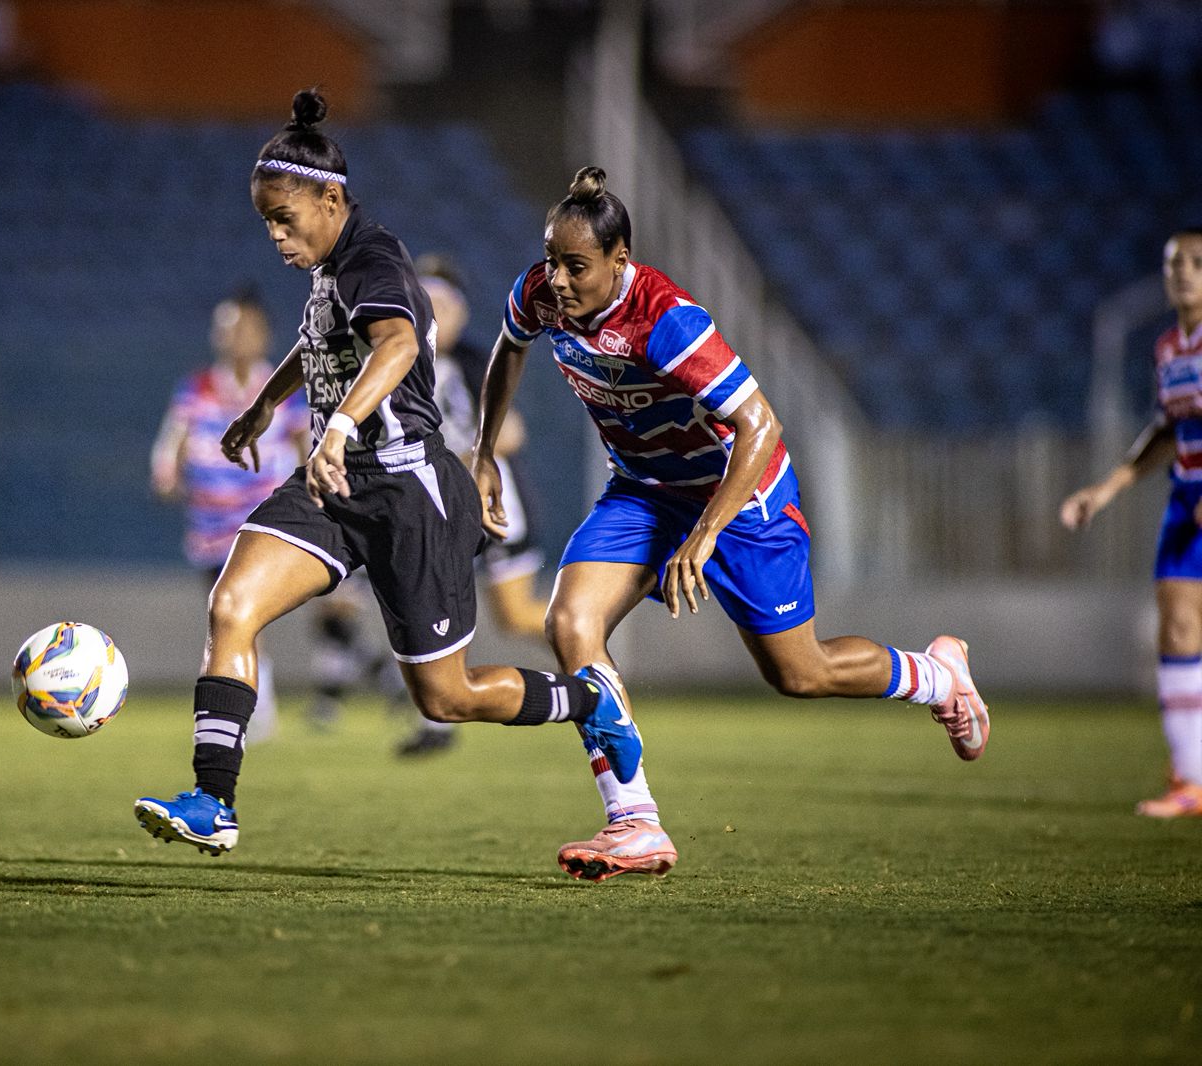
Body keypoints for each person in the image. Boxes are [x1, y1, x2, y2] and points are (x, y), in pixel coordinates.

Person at [132, 92, 644, 868]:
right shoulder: (331, 264)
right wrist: (264, 408)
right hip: (336, 488)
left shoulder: (374, 258)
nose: (274, 235)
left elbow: (398, 346)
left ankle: (589, 701)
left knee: (449, 698)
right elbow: (319, 347)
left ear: (330, 199)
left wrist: (336, 425)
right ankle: (213, 803)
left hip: (411, 492)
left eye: (283, 218)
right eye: (265, 220)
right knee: (232, 605)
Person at [471, 167, 991, 879]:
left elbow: (757, 422)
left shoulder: (665, 319)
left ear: (620, 260)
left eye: (576, 266)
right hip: (645, 490)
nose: (557, 279)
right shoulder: (542, 295)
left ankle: (936, 675)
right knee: (570, 624)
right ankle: (634, 821)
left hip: (740, 495)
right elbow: (507, 349)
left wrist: (706, 533)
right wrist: (483, 454)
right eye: (552, 260)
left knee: (800, 673)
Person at [1060, 226, 1202, 818]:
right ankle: (1190, 780)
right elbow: (1166, 431)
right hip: (1185, 498)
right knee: (1176, 629)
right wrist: (1105, 489)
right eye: (1174, 263)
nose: (1183, 272)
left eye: (1196, 262)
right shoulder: (1169, 348)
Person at [393, 256, 551, 757]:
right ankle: (437, 721)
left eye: (441, 301)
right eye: (425, 300)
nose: (431, 311)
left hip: (490, 500)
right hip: (436, 507)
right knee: (427, 606)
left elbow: (515, 432)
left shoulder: (472, 361)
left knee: (517, 615)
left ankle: (588, 659)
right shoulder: (395, 358)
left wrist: (465, 456)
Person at [150, 288, 306, 744]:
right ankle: (251, 709)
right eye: (226, 327)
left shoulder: (280, 385)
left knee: (241, 613)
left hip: (260, 521)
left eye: (243, 327)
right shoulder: (197, 385)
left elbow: (302, 445)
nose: (233, 336)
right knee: (226, 618)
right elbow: (173, 438)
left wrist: (308, 492)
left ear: (263, 334)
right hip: (210, 525)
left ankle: (253, 711)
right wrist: (166, 474)